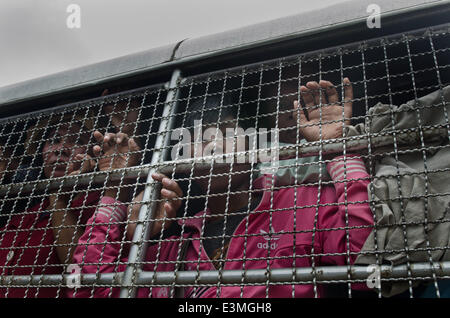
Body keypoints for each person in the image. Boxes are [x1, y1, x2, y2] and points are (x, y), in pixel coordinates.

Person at [71, 78, 374, 298]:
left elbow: (364, 262)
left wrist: (337, 148)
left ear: (254, 145)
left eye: (227, 131)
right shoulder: (176, 240)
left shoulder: (301, 203)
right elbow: (87, 288)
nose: (212, 146)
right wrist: (115, 194)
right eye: (197, 138)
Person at [0, 112, 102, 298]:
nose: (60, 149)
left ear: (93, 153)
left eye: (76, 140)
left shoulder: (101, 209)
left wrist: (58, 195)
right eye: (53, 140)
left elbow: (81, 275)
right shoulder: (27, 213)